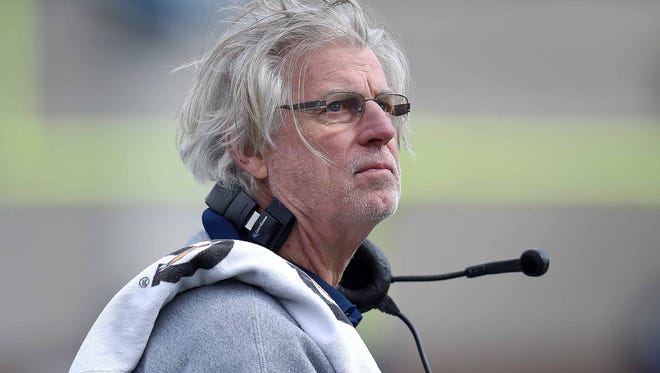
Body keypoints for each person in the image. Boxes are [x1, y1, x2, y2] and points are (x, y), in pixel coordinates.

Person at [70, 0, 411, 371]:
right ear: (251, 148)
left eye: (388, 106)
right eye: (337, 107)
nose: (383, 130)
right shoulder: (249, 339)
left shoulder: (261, 322)